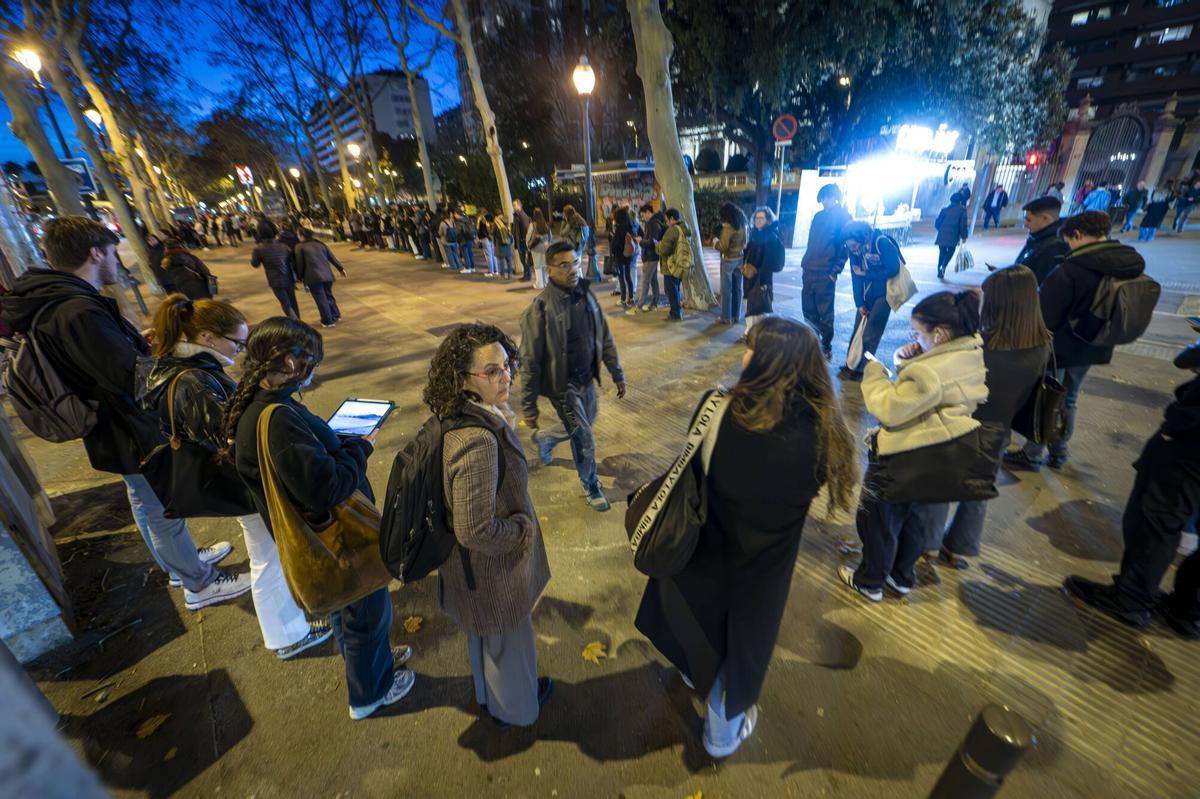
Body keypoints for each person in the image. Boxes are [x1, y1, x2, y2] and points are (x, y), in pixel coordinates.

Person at [635, 317, 858, 757]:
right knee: (742, 650)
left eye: (750, 349)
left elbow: (693, 467)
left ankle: (686, 672)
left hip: (707, 544)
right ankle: (720, 737)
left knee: (694, 617)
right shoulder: (824, 430)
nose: (743, 355)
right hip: (766, 565)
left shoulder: (717, 409)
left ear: (767, 363)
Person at [0, 216, 248, 610]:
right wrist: (164, 356)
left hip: (108, 425)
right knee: (162, 503)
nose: (117, 260)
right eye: (113, 251)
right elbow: (129, 376)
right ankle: (199, 584)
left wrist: (134, 341)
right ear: (95, 253)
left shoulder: (54, 299)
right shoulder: (76, 309)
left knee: (144, 499)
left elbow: (101, 360)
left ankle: (178, 564)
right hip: (125, 425)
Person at [223, 317, 414, 719]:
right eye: (312, 361)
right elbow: (326, 488)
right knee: (366, 615)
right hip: (336, 539)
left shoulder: (261, 405)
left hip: (320, 541)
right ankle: (370, 695)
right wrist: (361, 447)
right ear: (291, 362)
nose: (315, 371)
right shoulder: (275, 419)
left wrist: (331, 440)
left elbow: (302, 466)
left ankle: (370, 662)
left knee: (348, 613)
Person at [135, 295, 332, 658]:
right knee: (269, 555)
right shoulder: (193, 379)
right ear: (208, 337)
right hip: (241, 483)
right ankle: (287, 635)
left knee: (269, 553)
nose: (241, 351)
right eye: (237, 343)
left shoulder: (175, 365)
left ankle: (288, 625)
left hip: (234, 480)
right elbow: (229, 437)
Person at [423, 323, 554, 725]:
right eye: (492, 371)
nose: (506, 377)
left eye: (507, 365)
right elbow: (474, 529)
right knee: (508, 641)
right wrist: (521, 532)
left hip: (471, 571)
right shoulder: (477, 440)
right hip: (491, 568)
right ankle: (517, 711)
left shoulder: (462, 415)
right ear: (463, 379)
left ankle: (490, 698)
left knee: (489, 639)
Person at [839, 291, 988, 602]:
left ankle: (869, 581)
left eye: (918, 332)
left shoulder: (930, 371)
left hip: (906, 452)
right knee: (914, 519)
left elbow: (890, 407)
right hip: (939, 452)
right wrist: (909, 359)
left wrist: (876, 374)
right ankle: (901, 576)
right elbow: (928, 396)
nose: (913, 337)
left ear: (940, 333)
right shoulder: (969, 350)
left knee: (879, 520)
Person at [1063, 342, 1200, 638]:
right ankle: (1188, 609)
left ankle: (1132, 599)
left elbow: (1186, 358)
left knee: (1157, 521)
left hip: (1189, 448)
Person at [918, 267, 1051, 570]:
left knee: (940, 486)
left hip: (960, 425)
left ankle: (928, 546)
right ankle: (960, 549)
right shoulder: (1042, 344)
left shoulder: (978, 344)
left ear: (998, 303)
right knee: (977, 490)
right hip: (999, 431)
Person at [1005, 211, 1148, 471]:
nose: (1068, 246)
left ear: (1078, 235)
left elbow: (1044, 316)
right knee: (1069, 399)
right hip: (1096, 344)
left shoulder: (1072, 269)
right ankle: (1059, 453)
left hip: (1061, 347)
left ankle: (1033, 454)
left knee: (1045, 397)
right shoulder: (1125, 262)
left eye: (1070, 240)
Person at [519, 241, 627, 512]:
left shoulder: (586, 296)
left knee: (586, 423)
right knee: (584, 437)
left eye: (575, 262)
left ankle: (546, 438)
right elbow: (529, 359)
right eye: (564, 265)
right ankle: (590, 484)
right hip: (561, 387)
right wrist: (529, 405)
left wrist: (616, 372)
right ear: (550, 270)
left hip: (586, 380)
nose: (572, 269)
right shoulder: (540, 308)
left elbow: (604, 335)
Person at [839, 221, 901, 381]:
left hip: (885, 294)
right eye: (849, 246)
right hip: (866, 295)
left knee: (871, 333)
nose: (852, 249)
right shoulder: (854, 251)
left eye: (854, 245)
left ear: (864, 237)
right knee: (857, 331)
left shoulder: (881, 243)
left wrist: (866, 274)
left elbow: (893, 269)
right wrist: (859, 303)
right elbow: (856, 277)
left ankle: (862, 370)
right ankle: (851, 364)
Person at [799, 185, 850, 357]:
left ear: (834, 197)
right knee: (808, 308)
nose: (824, 201)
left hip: (825, 271)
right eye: (822, 198)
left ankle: (826, 346)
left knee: (825, 311)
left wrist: (835, 271)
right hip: (809, 268)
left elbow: (845, 247)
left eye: (826, 197)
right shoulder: (818, 216)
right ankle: (812, 342)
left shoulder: (843, 216)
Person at [741, 207, 786, 336]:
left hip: (762, 277)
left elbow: (770, 261)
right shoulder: (755, 234)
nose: (758, 220)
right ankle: (754, 332)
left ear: (768, 220)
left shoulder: (770, 237)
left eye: (761, 218)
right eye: (756, 218)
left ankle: (752, 332)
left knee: (757, 305)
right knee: (755, 304)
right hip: (751, 276)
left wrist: (762, 278)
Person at [294, 228, 346, 328]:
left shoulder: (299, 247)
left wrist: (299, 277)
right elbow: (332, 257)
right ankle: (336, 315)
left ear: (302, 235)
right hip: (328, 275)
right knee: (328, 296)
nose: (297, 236)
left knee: (321, 299)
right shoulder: (320, 244)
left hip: (313, 277)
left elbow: (300, 264)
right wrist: (340, 268)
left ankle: (328, 321)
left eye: (298, 234)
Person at [1014, 195, 1071, 285]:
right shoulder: (1038, 237)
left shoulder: (1054, 247)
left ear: (1045, 218)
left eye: (1028, 220)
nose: (1025, 224)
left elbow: (1039, 284)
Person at [250, 220, 300, 321]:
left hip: (275, 280)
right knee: (293, 301)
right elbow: (292, 260)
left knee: (285, 303)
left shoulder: (258, 249)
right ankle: (298, 321)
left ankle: (296, 323)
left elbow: (255, 264)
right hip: (289, 277)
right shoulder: (283, 246)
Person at [713, 202, 749, 326]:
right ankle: (736, 315)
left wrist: (715, 242)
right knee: (738, 288)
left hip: (728, 260)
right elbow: (745, 243)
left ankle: (726, 317)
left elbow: (723, 246)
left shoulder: (728, 227)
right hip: (739, 258)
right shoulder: (743, 225)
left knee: (726, 289)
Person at [655, 208, 694, 322]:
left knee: (672, 290)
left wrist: (657, 245)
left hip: (671, 265)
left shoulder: (673, 230)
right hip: (681, 263)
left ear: (672, 219)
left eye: (667, 220)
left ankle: (675, 314)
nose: (666, 223)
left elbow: (664, 250)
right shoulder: (685, 228)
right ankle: (677, 312)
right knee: (675, 288)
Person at [635, 204, 665, 313]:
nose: (643, 218)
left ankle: (640, 305)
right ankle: (654, 303)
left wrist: (640, 241)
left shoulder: (652, 224)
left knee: (645, 281)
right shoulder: (652, 223)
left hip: (651, 256)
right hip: (652, 256)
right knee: (653, 281)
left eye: (643, 215)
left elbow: (653, 242)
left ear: (648, 212)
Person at [934, 192, 969, 279]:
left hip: (942, 235)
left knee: (942, 252)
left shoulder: (944, 210)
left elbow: (937, 223)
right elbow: (963, 225)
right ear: (960, 201)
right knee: (951, 251)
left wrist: (941, 230)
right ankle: (943, 266)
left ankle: (939, 268)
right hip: (953, 235)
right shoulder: (962, 210)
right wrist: (964, 236)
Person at [612, 206, 639, 309]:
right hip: (629, 256)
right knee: (628, 277)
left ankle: (623, 299)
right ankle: (631, 298)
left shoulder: (619, 229)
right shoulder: (630, 227)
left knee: (621, 277)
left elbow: (615, 246)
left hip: (620, 257)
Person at [526, 209, 552, 289]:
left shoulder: (532, 225)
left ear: (534, 216)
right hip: (545, 248)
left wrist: (528, 246)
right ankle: (546, 282)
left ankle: (539, 284)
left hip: (536, 248)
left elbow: (528, 237)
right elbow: (550, 236)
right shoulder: (545, 224)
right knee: (545, 265)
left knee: (538, 266)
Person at [512, 199, 532, 281]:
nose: (513, 207)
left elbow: (524, 228)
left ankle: (527, 276)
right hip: (521, 240)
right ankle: (526, 275)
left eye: (515, 205)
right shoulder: (518, 215)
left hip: (522, 241)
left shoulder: (520, 215)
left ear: (519, 205)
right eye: (513, 205)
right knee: (523, 259)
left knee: (524, 259)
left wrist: (522, 239)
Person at [493, 211, 516, 279]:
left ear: (496, 216)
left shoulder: (496, 222)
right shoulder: (506, 220)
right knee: (509, 259)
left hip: (500, 243)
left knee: (501, 260)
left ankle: (502, 275)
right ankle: (510, 274)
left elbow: (493, 232)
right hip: (508, 242)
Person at [478, 213, 498, 277]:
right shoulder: (492, 221)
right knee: (493, 255)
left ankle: (490, 271)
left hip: (485, 239)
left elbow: (480, 232)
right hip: (492, 239)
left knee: (488, 255)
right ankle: (496, 270)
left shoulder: (482, 222)